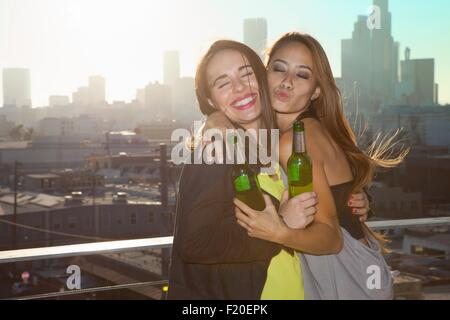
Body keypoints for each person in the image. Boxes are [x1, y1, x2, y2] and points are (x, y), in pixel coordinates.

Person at [168, 40, 350, 300]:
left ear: (262, 78)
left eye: (246, 74)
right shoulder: (215, 149)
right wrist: (282, 220)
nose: (240, 88)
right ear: (210, 99)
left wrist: (356, 197)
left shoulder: (273, 145)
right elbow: (194, 243)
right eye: (223, 83)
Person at [234, 32, 408, 299]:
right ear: (264, 74)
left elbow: (331, 237)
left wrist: (278, 230)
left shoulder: (294, 142)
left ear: (316, 91)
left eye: (302, 75)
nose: (287, 82)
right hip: (359, 273)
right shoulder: (304, 131)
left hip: (347, 279)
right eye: (279, 68)